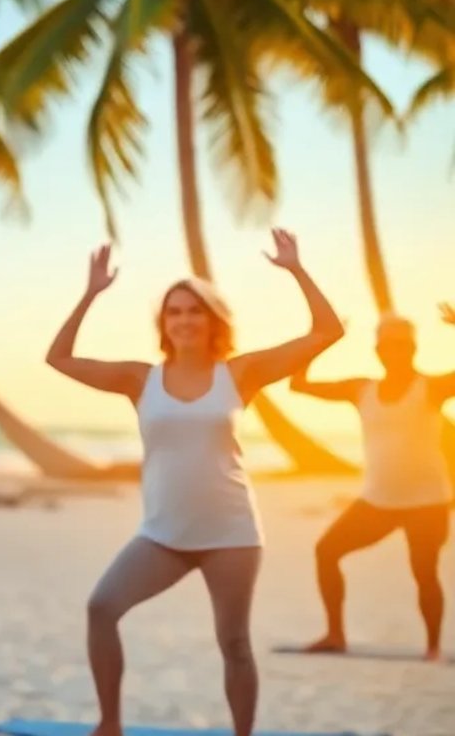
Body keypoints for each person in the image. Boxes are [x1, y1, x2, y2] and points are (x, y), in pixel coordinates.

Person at [44, 233, 344, 736]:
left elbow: (327, 332)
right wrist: (91, 293)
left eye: (194, 311)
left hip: (232, 534)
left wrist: (295, 269)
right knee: (102, 608)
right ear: (164, 323)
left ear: (213, 321)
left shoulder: (240, 373)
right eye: (174, 312)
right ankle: (109, 724)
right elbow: (59, 359)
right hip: (162, 534)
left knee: (234, 643)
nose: (184, 320)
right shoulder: (140, 379)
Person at [288, 313, 453, 661]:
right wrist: (321, 342)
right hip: (377, 501)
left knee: (424, 571)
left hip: (428, 503)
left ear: (412, 348)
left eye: (401, 344)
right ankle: (335, 635)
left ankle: (433, 648)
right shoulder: (361, 389)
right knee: (326, 551)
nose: (393, 351)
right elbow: (298, 385)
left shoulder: (432, 388)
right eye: (386, 344)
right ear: (377, 349)